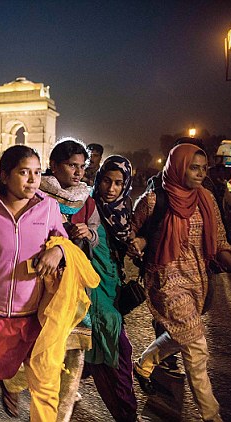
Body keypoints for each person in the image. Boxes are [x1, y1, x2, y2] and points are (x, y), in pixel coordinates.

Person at [130, 144, 231, 422]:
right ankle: (211, 415)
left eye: (204, 168)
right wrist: (138, 243)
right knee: (197, 345)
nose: (201, 173)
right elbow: (131, 234)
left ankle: (144, 363)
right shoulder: (154, 201)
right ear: (178, 166)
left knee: (184, 334)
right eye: (194, 167)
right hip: (165, 278)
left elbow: (221, 241)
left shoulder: (207, 199)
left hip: (197, 279)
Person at [0, 145, 99, 421]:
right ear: (4, 176)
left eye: (37, 173)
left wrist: (60, 249)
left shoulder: (48, 207)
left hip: (35, 315)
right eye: (24, 172)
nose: (32, 180)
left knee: (46, 388)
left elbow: (64, 241)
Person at [39, 138, 100, 421]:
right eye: (71, 165)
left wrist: (88, 235)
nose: (78, 172)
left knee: (74, 351)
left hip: (72, 283)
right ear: (53, 165)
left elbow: (97, 237)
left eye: (82, 166)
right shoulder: (35, 194)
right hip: (39, 281)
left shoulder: (87, 200)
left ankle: (60, 415)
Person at [84, 155, 137, 421]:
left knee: (97, 348)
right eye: (106, 181)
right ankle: (125, 412)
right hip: (90, 285)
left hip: (113, 285)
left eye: (118, 183)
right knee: (117, 346)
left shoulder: (124, 211)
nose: (111, 188)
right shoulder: (84, 205)